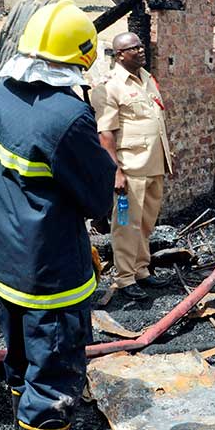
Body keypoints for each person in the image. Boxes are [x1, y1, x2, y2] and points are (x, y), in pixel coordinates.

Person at [0, 0, 115, 430]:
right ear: (81, 57)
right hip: (52, 276)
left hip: (6, 268)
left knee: (19, 364)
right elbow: (99, 197)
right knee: (53, 380)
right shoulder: (69, 116)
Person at [90, 32, 173, 301]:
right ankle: (124, 278)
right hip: (130, 168)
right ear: (119, 55)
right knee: (126, 224)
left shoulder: (147, 79)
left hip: (154, 164)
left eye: (140, 45)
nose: (140, 50)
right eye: (132, 48)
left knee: (146, 223)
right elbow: (106, 134)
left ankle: (141, 270)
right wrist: (116, 171)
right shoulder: (109, 86)